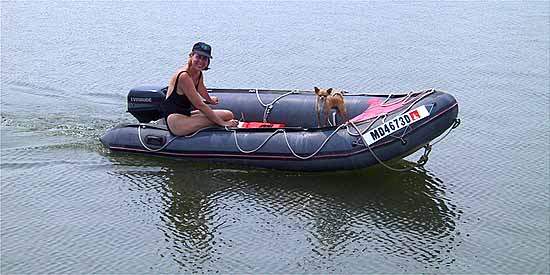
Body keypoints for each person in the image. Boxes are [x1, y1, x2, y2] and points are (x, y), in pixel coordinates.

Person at [161, 42, 239, 136]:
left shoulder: (198, 73)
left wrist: (210, 100)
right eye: (198, 57)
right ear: (191, 55)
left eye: (204, 58)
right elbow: (200, 105)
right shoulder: (184, 76)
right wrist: (222, 123)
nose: (201, 61)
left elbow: (201, 89)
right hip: (176, 122)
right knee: (222, 119)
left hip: (186, 114)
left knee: (228, 115)